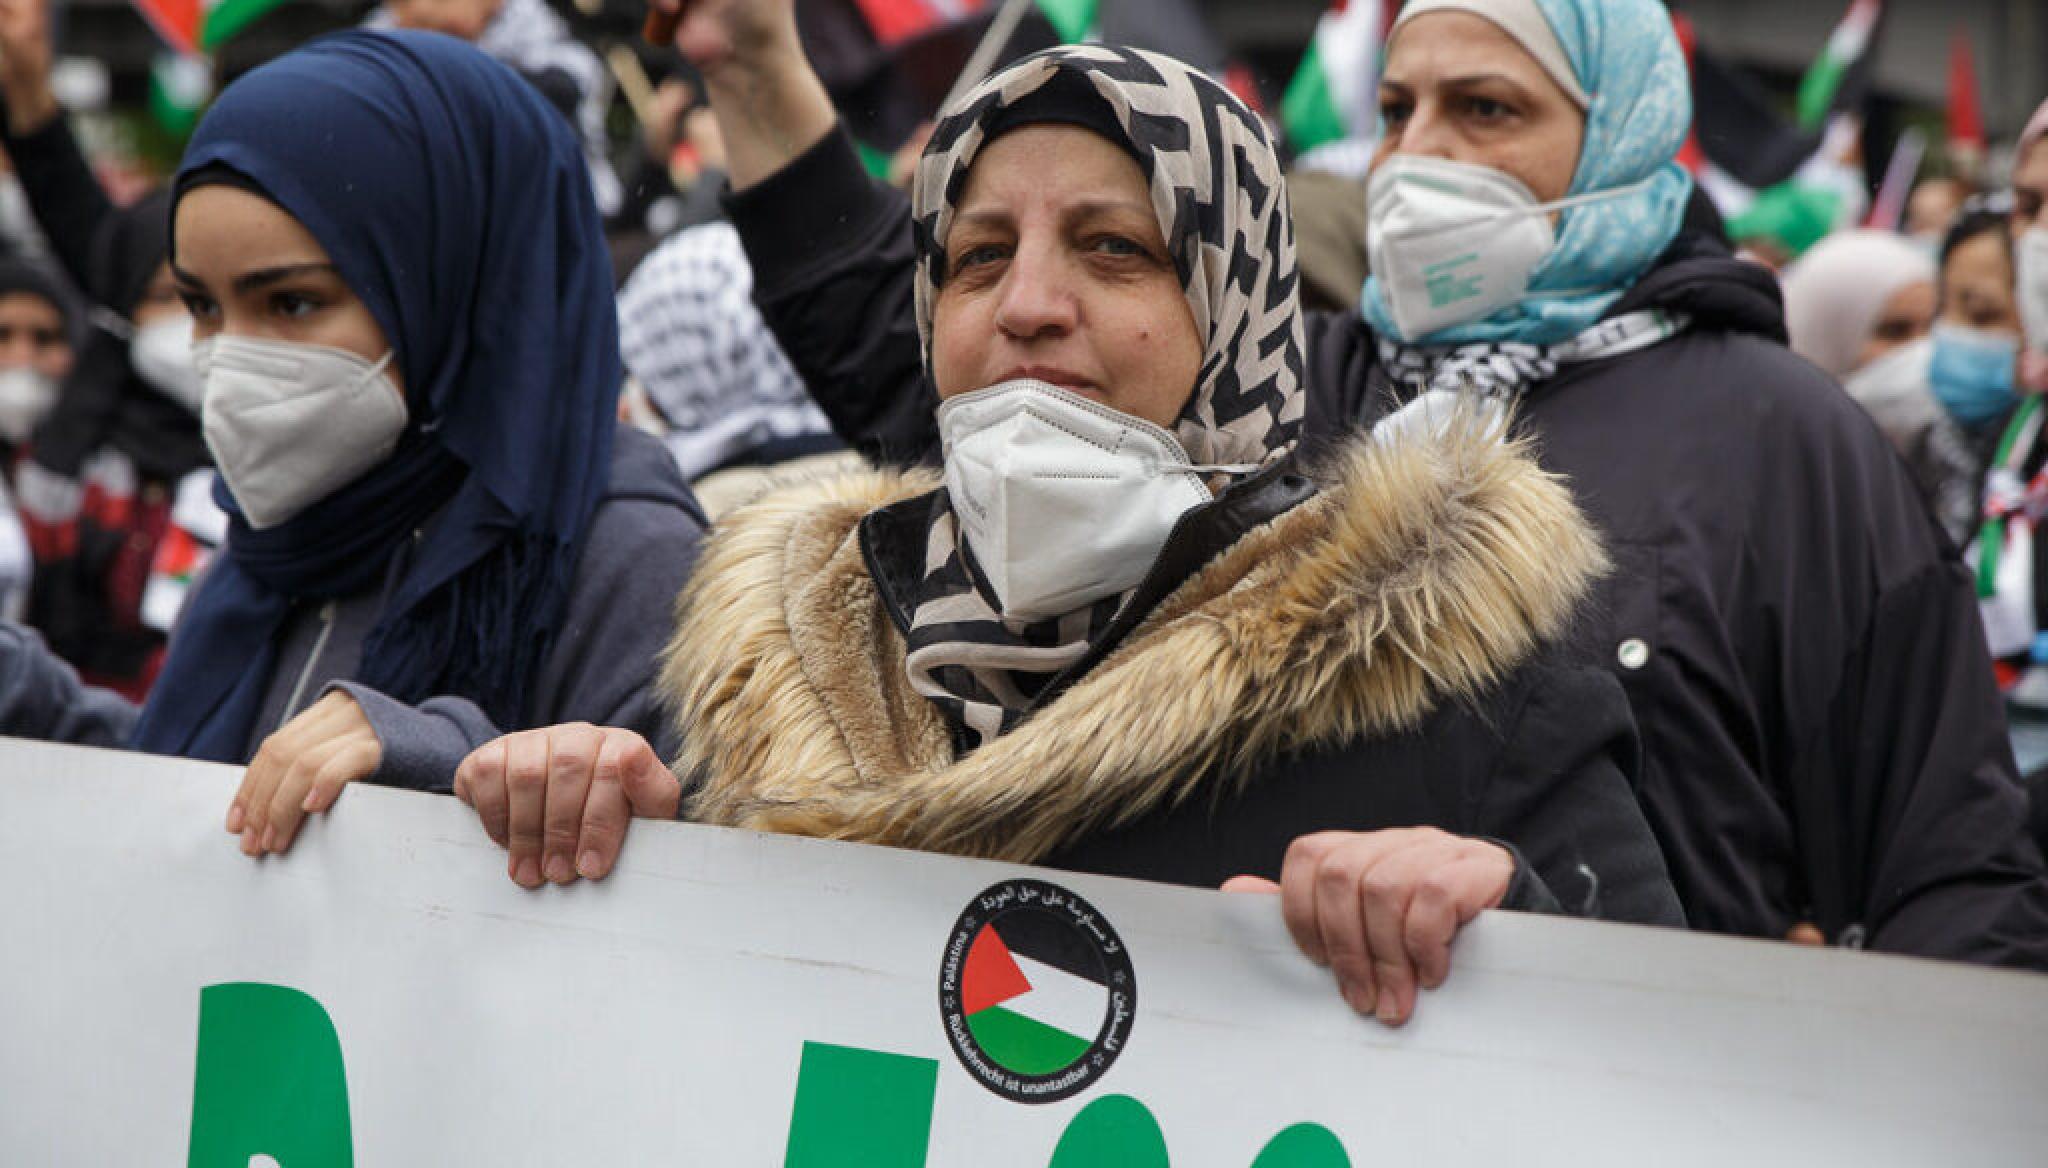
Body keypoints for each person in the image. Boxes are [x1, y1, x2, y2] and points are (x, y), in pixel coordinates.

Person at [641, 0, 2048, 966]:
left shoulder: (1783, 436)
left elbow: (1949, 868)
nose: (1420, 152)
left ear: (1625, 133)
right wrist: (760, 71)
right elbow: (942, 373)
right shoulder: (1294, 393)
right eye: (1397, 107)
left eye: (1484, 109)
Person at [457, 45, 1684, 1029]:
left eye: (1115, 250)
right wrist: (591, 814)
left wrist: (1514, 929)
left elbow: (1683, 1064)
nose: (1030, 306)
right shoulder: (763, 676)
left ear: (1239, 309)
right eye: (978, 257)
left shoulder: (1462, 690)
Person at [114, 31, 706, 858]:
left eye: (289, 304)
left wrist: (437, 756)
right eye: (203, 309)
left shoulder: (631, 562)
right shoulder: (274, 541)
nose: (230, 359)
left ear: (456, 285)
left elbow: (695, 887)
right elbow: (205, 782)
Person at [1779, 228, 1976, 540]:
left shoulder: (1953, 464)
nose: (1921, 352)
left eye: (1932, 327)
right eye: (1895, 331)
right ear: (1826, 334)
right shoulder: (1773, 479)